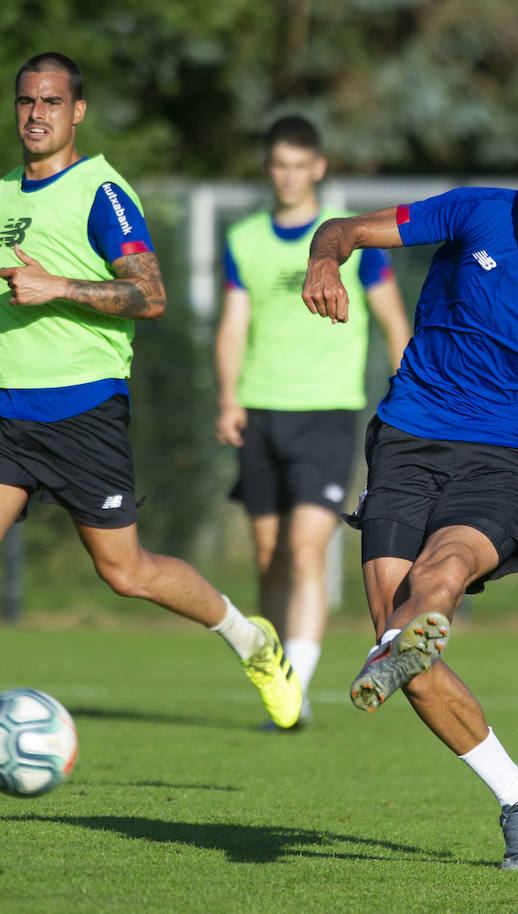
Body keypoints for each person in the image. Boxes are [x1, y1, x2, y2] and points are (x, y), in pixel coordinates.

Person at [0, 52, 301, 790]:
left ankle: (248, 636)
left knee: (125, 573)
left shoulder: (103, 191)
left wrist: (57, 288)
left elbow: (150, 295)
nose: (36, 114)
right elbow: (16, 290)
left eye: (51, 102)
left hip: (82, 412)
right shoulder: (6, 190)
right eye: (25, 101)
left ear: (78, 113)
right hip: (0, 409)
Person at [300, 138, 518, 869]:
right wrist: (324, 262)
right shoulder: (479, 214)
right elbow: (346, 230)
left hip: (510, 465)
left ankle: (415, 631)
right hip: (407, 439)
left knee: (443, 567)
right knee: (402, 649)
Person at [214, 116, 410, 729]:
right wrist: (227, 397)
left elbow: (393, 324)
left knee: (306, 551)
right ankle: (275, 672)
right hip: (260, 409)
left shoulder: (349, 241)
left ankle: (293, 687)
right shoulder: (244, 239)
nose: (290, 175)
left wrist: (409, 401)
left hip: (327, 410)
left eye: (301, 164)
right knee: (270, 555)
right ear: (269, 169)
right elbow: (232, 325)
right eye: (279, 164)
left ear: (319, 168)